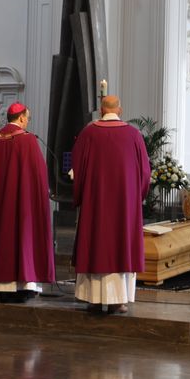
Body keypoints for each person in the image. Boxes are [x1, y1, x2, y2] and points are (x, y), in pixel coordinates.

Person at [0, 102, 54, 302]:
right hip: (21, 202)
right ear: (21, 118)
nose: (27, 122)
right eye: (28, 118)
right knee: (21, 238)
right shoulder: (27, 140)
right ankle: (23, 286)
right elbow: (38, 176)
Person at [71, 96, 151, 314]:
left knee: (96, 243)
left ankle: (93, 298)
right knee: (119, 246)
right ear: (120, 110)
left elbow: (77, 170)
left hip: (95, 204)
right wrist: (137, 197)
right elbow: (145, 172)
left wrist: (79, 195)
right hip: (124, 206)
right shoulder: (133, 134)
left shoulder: (88, 133)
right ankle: (119, 299)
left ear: (100, 111)